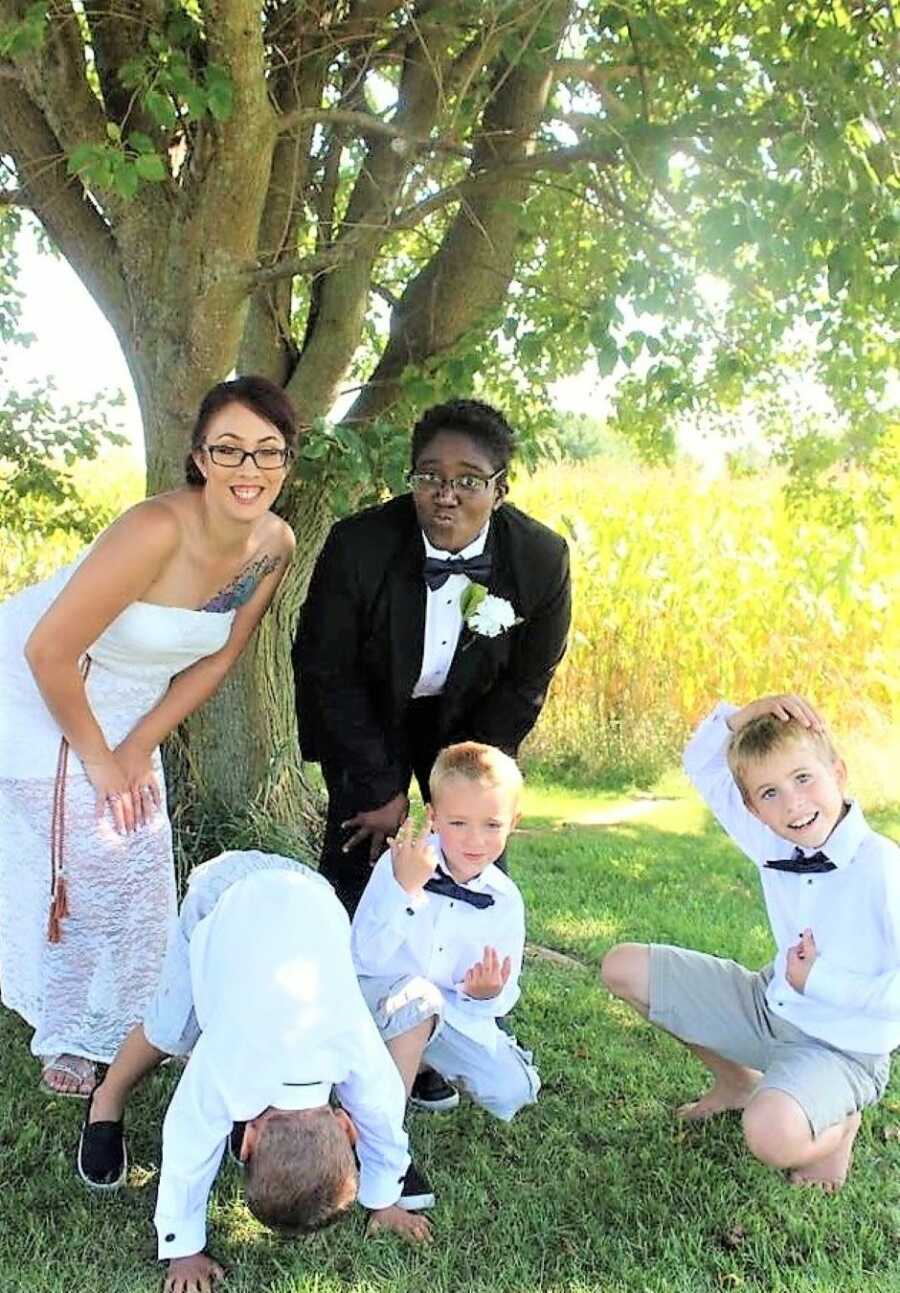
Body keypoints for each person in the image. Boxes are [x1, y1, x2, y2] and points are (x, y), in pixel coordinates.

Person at [0, 376, 296, 1098]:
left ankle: (144, 1019)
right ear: (199, 458)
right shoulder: (155, 529)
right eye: (228, 449)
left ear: (288, 460)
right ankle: (67, 1030)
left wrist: (136, 747)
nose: (248, 469)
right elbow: (47, 652)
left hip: (131, 706)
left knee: (141, 865)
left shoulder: (274, 546)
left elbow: (220, 657)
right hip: (39, 688)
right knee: (88, 864)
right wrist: (101, 757)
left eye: (267, 451)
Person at [76, 851, 430, 1293]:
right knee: (172, 1029)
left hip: (309, 894)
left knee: (185, 1030)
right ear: (246, 1140)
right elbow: (187, 1139)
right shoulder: (226, 1061)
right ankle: (107, 1098)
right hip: (222, 893)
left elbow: (382, 1114)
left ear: (344, 1126)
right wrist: (181, 1249)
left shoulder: (351, 1044)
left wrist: (384, 1200)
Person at [602, 693, 900, 1192]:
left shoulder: (883, 868)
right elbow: (701, 762)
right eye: (770, 793)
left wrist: (821, 980)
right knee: (623, 967)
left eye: (803, 778)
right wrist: (748, 713)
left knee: (769, 1135)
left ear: (839, 774)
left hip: (840, 1048)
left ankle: (838, 1124)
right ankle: (738, 1082)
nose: (793, 803)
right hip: (768, 1005)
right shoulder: (773, 839)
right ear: (753, 808)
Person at [351, 741, 539, 1177]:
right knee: (418, 1001)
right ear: (432, 816)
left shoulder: (504, 899)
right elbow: (364, 957)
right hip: (379, 1001)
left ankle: (417, 1067)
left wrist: (485, 994)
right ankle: (381, 1146)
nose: (475, 840)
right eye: (458, 823)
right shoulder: (400, 865)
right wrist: (406, 892)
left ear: (514, 823)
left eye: (492, 824)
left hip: (450, 1013)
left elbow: (502, 993)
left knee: (513, 1090)